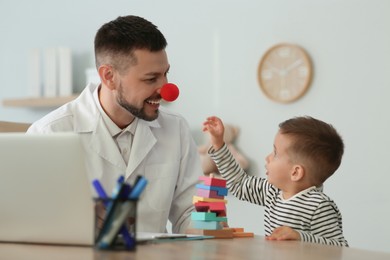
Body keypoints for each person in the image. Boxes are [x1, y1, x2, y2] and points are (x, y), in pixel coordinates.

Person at [27, 15, 203, 234]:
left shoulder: (176, 130)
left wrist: (209, 226)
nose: (166, 90)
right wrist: (77, 223)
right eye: (151, 79)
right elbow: (27, 223)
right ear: (109, 76)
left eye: (166, 74)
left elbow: (189, 211)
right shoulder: (49, 134)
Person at [202, 116, 348, 246]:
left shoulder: (319, 206)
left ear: (295, 172)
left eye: (275, 153)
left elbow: (338, 247)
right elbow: (238, 183)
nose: (268, 158)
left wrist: (299, 237)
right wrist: (219, 145)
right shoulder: (272, 192)